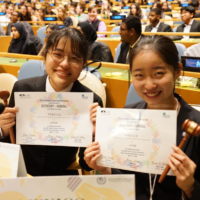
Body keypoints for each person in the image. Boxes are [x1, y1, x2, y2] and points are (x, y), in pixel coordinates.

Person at [84, 35, 200, 200]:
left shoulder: (196, 125)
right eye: (139, 75)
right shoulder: (127, 117)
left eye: (158, 73)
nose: (149, 85)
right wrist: (103, 167)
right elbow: (125, 177)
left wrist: (190, 186)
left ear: (177, 72)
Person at [1, 27, 103, 176]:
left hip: (62, 178)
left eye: (75, 58)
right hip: (22, 175)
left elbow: (85, 165)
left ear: (83, 65)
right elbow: (9, 144)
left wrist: (95, 139)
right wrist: (2, 129)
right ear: (45, 57)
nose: (65, 64)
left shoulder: (92, 101)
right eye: (58, 54)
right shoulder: (22, 89)